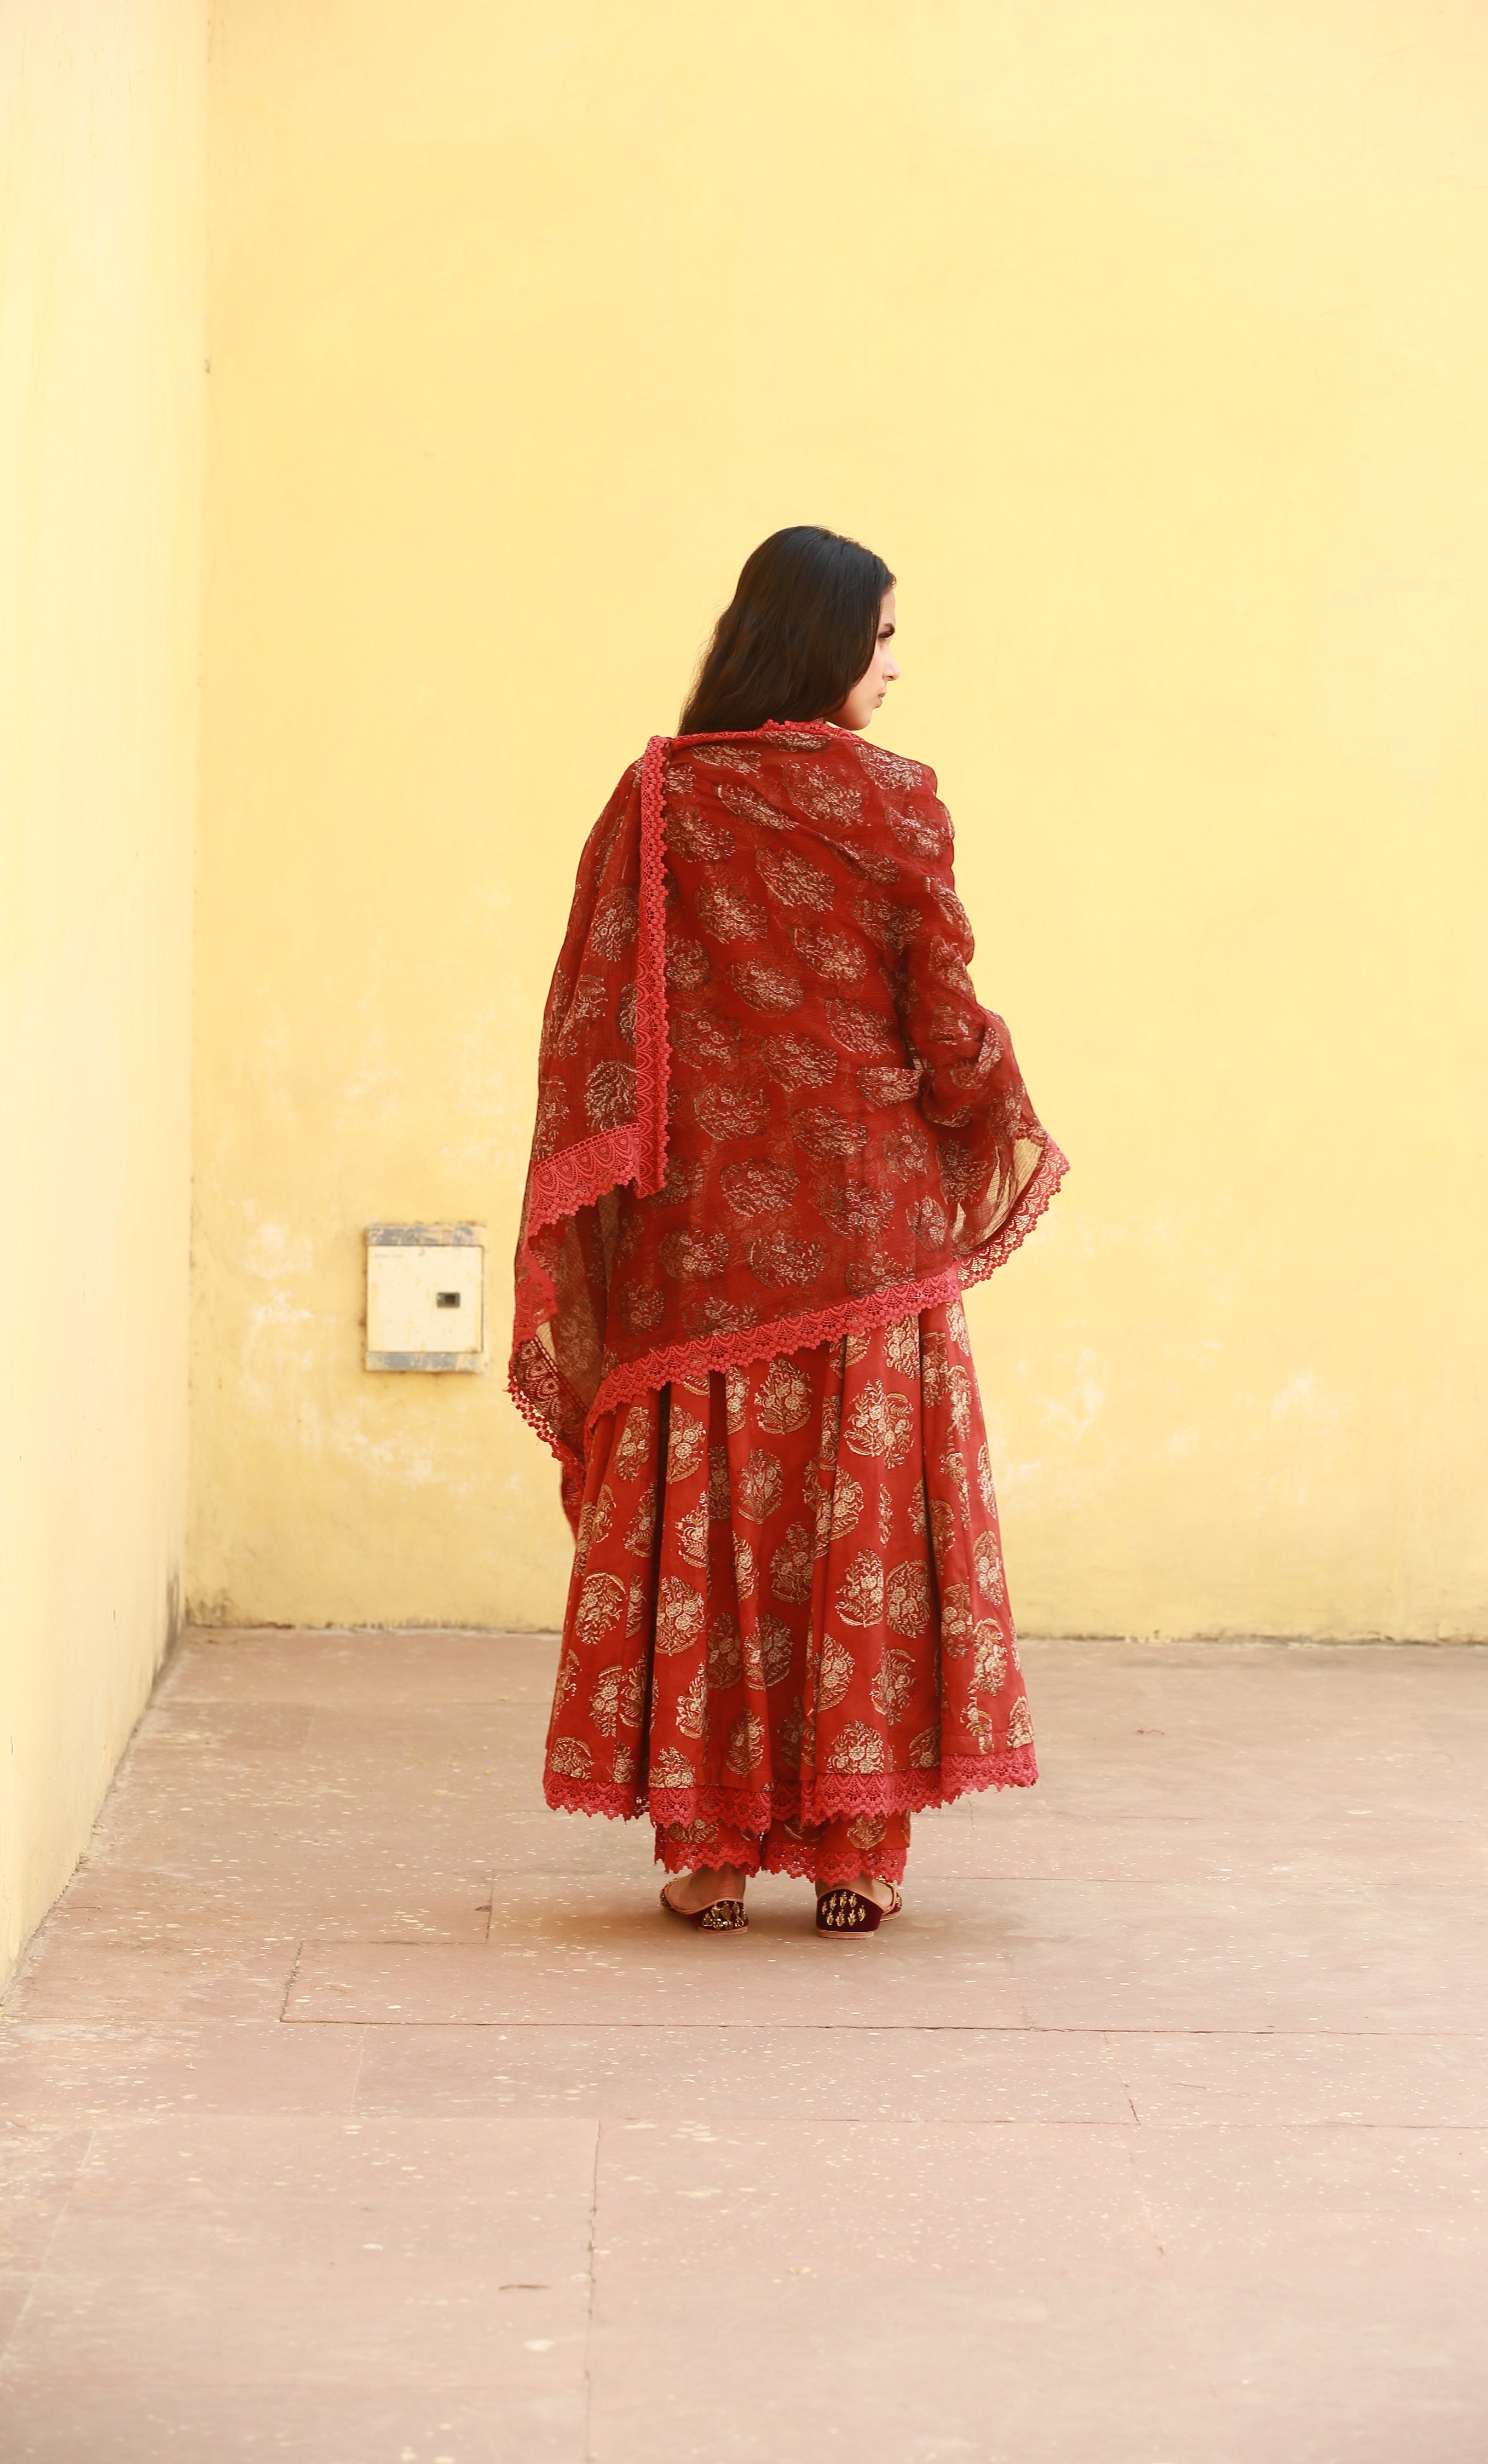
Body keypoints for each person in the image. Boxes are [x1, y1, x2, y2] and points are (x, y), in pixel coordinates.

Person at [510, 526, 1065, 1935]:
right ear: (821, 645)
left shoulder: (656, 799)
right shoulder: (897, 805)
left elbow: (593, 1029)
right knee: (853, 1533)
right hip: (866, 1234)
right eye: (881, 636)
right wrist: (999, 1109)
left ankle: (703, 1858)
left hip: (701, 1235)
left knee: (716, 1529)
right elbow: (941, 1018)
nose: (894, 664)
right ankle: (854, 1861)